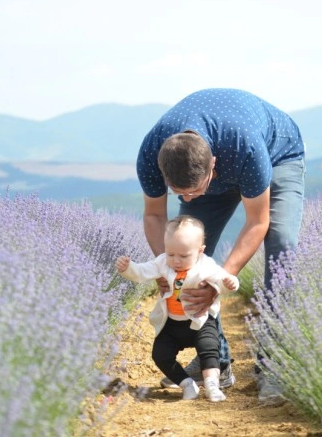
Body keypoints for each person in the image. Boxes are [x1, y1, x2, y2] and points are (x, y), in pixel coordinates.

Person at [136, 88, 305, 400]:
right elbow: (154, 214)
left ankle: (276, 366)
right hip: (219, 161)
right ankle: (216, 360)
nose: (187, 200)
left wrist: (217, 281)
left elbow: (258, 221)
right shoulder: (151, 153)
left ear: (213, 165)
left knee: (282, 245)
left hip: (278, 154)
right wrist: (170, 266)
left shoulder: (247, 149)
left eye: (194, 190)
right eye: (178, 192)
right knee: (187, 254)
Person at [115, 215, 240, 402]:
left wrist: (230, 283)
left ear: (200, 251)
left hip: (200, 319)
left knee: (209, 349)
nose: (176, 260)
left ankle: (212, 385)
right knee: (160, 354)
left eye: (183, 256)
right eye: (171, 253)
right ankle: (186, 384)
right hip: (172, 323)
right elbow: (142, 272)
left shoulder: (205, 264)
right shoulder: (163, 262)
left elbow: (222, 280)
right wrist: (128, 268)